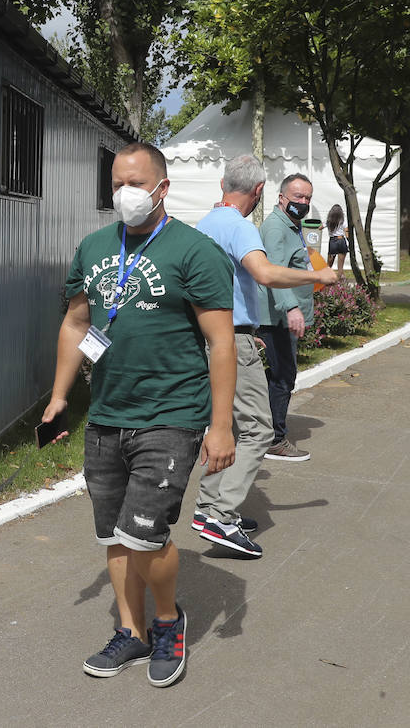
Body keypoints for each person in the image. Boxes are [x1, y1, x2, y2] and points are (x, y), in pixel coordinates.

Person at [42, 141, 236, 688]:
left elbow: (221, 343)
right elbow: (77, 323)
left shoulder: (194, 251)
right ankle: (131, 631)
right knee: (114, 537)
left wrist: (220, 427)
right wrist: (59, 397)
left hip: (171, 414)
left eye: (135, 183)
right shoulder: (94, 246)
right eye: (117, 184)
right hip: (107, 413)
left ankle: (169, 621)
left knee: (145, 536)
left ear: (162, 188)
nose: (125, 194)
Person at [192, 155, 337, 558]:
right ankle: (220, 513)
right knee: (258, 430)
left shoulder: (207, 223)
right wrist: (318, 275)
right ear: (259, 192)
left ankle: (209, 507)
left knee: (231, 429)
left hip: (219, 335)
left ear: (223, 183)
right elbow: (266, 273)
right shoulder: (240, 227)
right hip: (230, 342)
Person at [256, 173, 317, 462]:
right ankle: (274, 440)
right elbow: (274, 273)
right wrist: (291, 308)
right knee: (283, 377)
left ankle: (260, 428)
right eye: (297, 197)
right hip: (277, 317)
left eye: (307, 198)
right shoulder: (276, 228)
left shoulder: (292, 226)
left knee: (276, 376)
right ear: (282, 198)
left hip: (284, 316)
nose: (303, 202)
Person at [325, 202, 349, 272]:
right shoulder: (343, 221)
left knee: (329, 264)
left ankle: (326, 278)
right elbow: (346, 231)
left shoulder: (328, 221)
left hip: (333, 241)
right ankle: (339, 280)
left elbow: (320, 227)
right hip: (341, 240)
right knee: (340, 266)